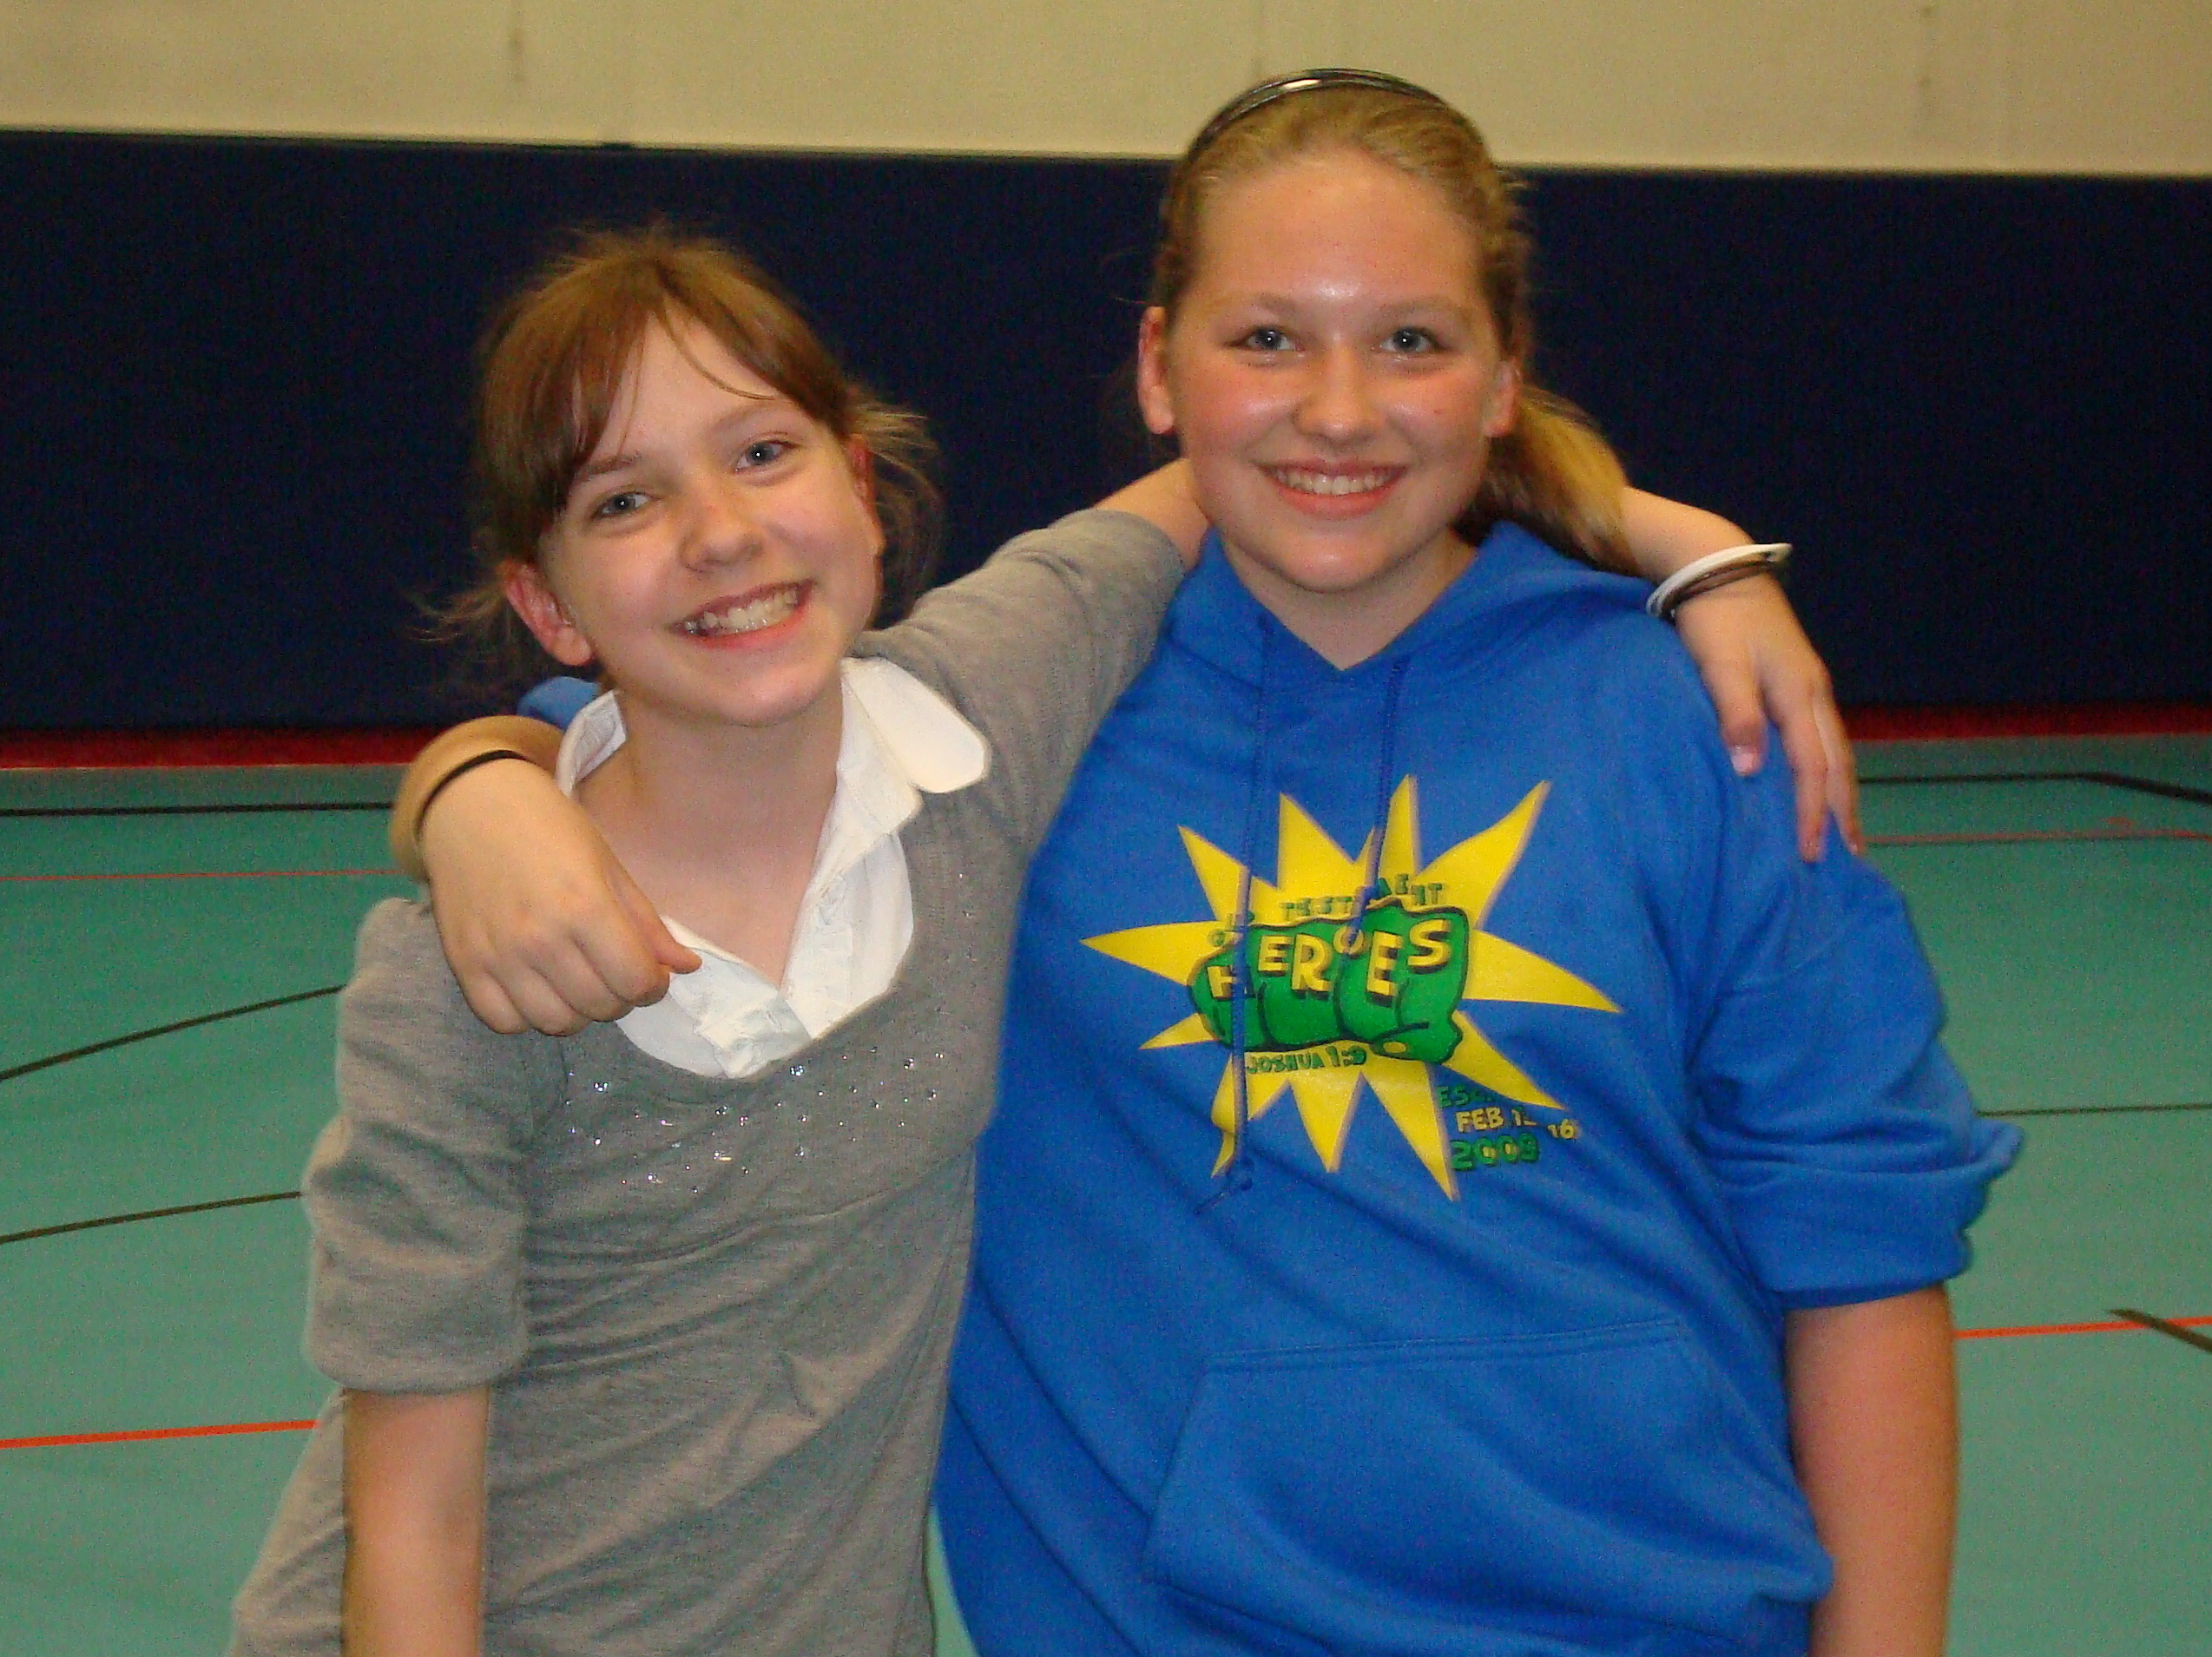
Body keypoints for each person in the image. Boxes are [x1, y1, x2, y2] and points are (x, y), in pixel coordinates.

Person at [379, 76, 1928, 1657]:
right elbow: (703, 738)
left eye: (1413, 339)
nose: (1339, 407)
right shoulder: (1011, 730)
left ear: (1504, 376)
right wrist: (486, 777)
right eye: (1265, 339)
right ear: (1158, 369)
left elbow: (1863, 1231)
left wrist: (1691, 548)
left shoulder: (1698, 715)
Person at [229, 228, 1208, 1657]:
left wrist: (1604, 506)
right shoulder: (474, 981)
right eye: (625, 499)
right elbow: (413, 1530)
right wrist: (472, 785)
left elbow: (1252, 458)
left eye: (761, 453)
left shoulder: (975, 725)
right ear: (548, 603)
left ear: (860, 491)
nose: (722, 531)